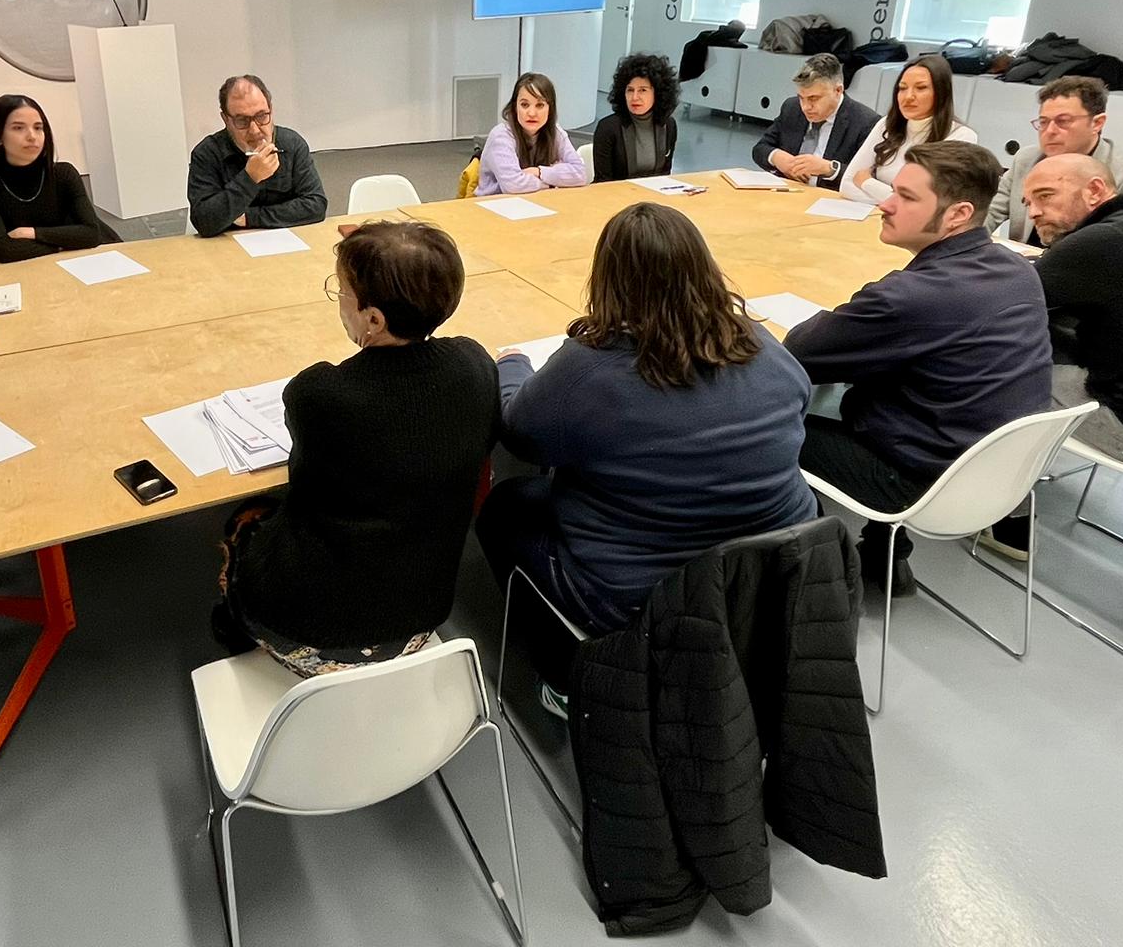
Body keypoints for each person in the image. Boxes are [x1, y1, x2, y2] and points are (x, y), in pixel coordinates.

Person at [476, 202, 819, 695]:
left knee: (505, 508)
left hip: (636, 597)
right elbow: (800, 399)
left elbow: (523, 435)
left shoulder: (591, 368)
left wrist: (512, 366)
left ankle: (564, 676)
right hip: (770, 571)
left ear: (608, 280)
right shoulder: (759, 341)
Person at [215, 221, 500, 677]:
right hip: (420, 620)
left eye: (341, 289)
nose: (338, 298)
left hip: (321, 634)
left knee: (245, 520)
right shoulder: (476, 366)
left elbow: (303, 487)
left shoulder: (322, 394)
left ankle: (240, 629)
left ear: (373, 319)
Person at [785, 142, 1052, 595]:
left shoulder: (914, 296)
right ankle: (884, 557)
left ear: (956, 214)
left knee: (772, 426)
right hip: (999, 479)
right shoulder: (1017, 269)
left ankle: (815, 578)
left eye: (907, 197)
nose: (886, 203)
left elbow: (799, 351)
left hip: (919, 481)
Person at [981, 155, 1123, 590]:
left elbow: (999, 302)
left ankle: (1000, 516)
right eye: (1028, 200)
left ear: (1095, 191)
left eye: (1045, 196)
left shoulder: (1104, 241)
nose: (1033, 212)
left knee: (993, 365)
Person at [985, 76, 1123, 244]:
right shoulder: (1026, 159)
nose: (1050, 131)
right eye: (1043, 122)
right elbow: (988, 213)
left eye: (1063, 121)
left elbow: (1119, 242)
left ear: (1097, 123)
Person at [0, 94, 121, 261]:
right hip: (14, 269)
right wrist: (67, 243)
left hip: (74, 263)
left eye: (38, 128)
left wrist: (32, 233)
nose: (32, 136)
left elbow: (91, 234)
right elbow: (4, 250)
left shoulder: (64, 174)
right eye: (18, 128)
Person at [186, 75, 328, 237]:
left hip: (285, 241)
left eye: (261, 116)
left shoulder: (292, 144)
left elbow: (316, 206)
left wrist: (249, 218)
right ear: (226, 119)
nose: (254, 129)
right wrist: (250, 178)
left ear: (271, 110)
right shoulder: (207, 154)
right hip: (226, 248)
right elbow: (204, 222)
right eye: (242, 121)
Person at [840, 56, 978, 204]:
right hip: (876, 217)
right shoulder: (887, 125)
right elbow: (846, 185)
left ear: (941, 93)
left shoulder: (962, 137)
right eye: (903, 88)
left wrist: (867, 183)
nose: (908, 97)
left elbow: (928, 204)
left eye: (921, 88)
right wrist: (898, 200)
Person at [750, 53, 880, 190]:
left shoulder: (866, 122)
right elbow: (760, 148)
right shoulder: (791, 108)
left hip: (829, 200)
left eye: (813, 99)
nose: (805, 107)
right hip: (785, 193)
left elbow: (871, 178)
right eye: (801, 97)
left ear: (838, 90)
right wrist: (776, 157)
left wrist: (829, 169)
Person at [476, 72, 587, 195]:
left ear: (550, 109)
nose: (532, 113)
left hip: (536, 202)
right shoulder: (501, 136)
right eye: (524, 105)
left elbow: (580, 173)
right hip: (494, 206)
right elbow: (513, 185)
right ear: (515, 107)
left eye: (540, 105)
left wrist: (539, 172)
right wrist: (554, 181)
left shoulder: (555, 132)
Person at [591, 53, 681, 181]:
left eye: (643, 90)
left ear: (658, 93)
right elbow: (602, 181)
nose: (634, 97)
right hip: (617, 196)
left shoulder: (668, 125)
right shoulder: (608, 128)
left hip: (653, 196)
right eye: (630, 90)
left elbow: (665, 174)